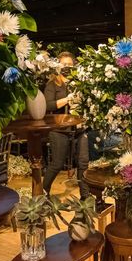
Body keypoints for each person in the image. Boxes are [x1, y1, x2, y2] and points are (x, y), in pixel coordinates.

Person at [42, 52, 90, 199]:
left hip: (79, 128)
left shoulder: (78, 83)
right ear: (57, 66)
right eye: (64, 65)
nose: (67, 68)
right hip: (60, 129)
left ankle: (85, 197)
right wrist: (67, 99)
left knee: (83, 162)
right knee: (57, 163)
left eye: (70, 65)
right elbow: (47, 105)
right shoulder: (52, 84)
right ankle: (43, 193)